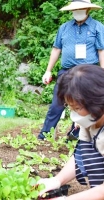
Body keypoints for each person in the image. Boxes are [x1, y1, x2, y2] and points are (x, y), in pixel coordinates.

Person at [38, 0, 104, 140]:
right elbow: (56, 49)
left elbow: (101, 51)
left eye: (80, 8)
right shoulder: (64, 27)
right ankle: (44, 135)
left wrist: (102, 73)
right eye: (75, 9)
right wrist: (48, 70)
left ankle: (76, 134)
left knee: (84, 105)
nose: (77, 11)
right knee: (57, 103)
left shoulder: (97, 27)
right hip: (66, 72)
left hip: (88, 73)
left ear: (88, 9)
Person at [38, 64, 104, 199]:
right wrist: (56, 180)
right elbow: (82, 154)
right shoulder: (91, 122)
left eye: (78, 108)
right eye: (70, 107)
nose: (74, 114)